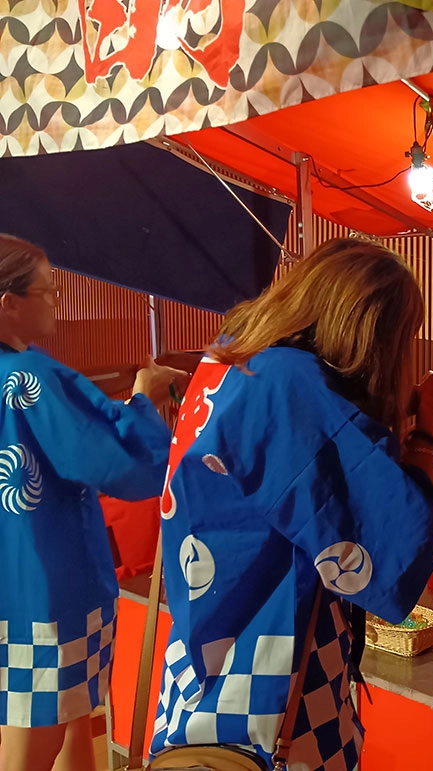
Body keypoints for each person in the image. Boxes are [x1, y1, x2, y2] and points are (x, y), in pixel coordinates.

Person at [149, 238, 433, 769]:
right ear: (368, 331)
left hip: (201, 660)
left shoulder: (233, 359)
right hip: (273, 694)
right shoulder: (290, 385)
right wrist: (428, 436)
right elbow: (393, 552)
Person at [0, 234, 185, 771]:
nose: (57, 300)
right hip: (46, 590)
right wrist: (144, 398)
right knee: (37, 735)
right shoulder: (28, 378)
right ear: (9, 304)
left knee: (60, 719)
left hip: (12, 582)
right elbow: (112, 460)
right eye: (47, 291)